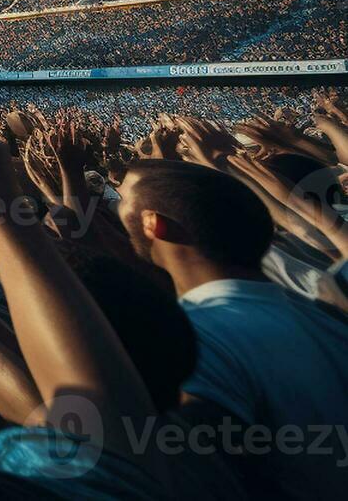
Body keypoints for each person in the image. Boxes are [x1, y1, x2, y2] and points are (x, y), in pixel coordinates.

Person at [116, 160, 348, 498]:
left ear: (154, 224)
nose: (117, 208)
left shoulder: (196, 342)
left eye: (123, 201)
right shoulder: (323, 307)